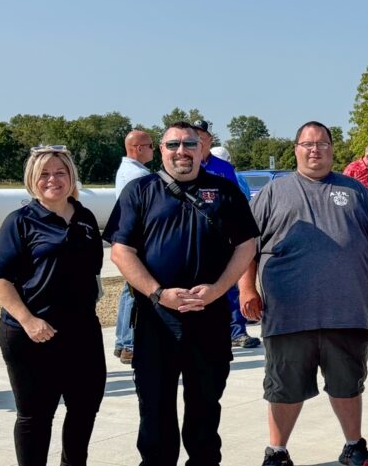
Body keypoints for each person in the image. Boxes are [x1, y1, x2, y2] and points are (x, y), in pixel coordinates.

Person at [237, 121, 368, 466]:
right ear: (296, 149)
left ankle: (354, 445)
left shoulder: (355, 191)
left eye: (322, 144)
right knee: (283, 387)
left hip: (348, 311)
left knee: (348, 384)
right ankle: (277, 451)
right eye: (307, 144)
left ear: (332, 149)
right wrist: (246, 287)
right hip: (288, 315)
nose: (315, 150)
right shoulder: (273, 194)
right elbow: (247, 245)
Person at [105, 121, 259, 466]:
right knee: (155, 412)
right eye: (172, 145)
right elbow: (121, 251)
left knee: (205, 411)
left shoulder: (225, 191)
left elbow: (247, 245)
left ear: (202, 149)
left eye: (189, 144)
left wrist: (218, 290)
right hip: (156, 322)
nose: (181, 152)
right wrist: (158, 293)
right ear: (161, 151)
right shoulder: (140, 191)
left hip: (210, 319)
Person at [0, 146, 106, 466]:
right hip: (32, 334)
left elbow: (92, 270)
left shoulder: (85, 218)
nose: (53, 179)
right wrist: (28, 321)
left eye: (60, 172)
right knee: (35, 417)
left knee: (84, 409)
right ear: (32, 180)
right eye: (44, 174)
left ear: (71, 176)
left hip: (81, 333)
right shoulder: (20, 221)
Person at [193, 118, 260, 349]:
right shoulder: (184, 166)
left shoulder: (223, 168)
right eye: (195, 137)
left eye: (203, 137)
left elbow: (236, 202)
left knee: (231, 284)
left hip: (224, 237)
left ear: (210, 140)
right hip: (196, 239)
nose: (198, 141)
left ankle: (236, 331)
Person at [114, 129, 155, 365]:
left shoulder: (128, 171)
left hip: (131, 238)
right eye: (150, 145)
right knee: (134, 290)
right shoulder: (137, 175)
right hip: (138, 241)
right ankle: (129, 343)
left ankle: (124, 341)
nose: (153, 149)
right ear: (138, 148)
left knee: (128, 290)